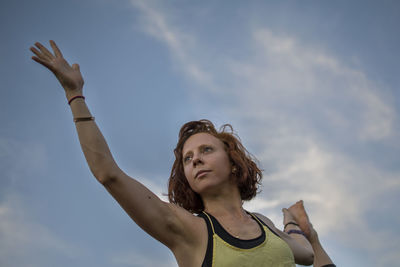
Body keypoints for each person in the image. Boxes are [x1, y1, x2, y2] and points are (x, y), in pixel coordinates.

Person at [30, 40, 334, 267]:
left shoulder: (263, 224)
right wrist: (75, 95)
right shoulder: (189, 229)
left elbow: (305, 253)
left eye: (206, 150)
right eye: (187, 159)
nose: (196, 159)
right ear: (186, 177)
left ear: (234, 164)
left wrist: (294, 222)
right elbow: (108, 174)